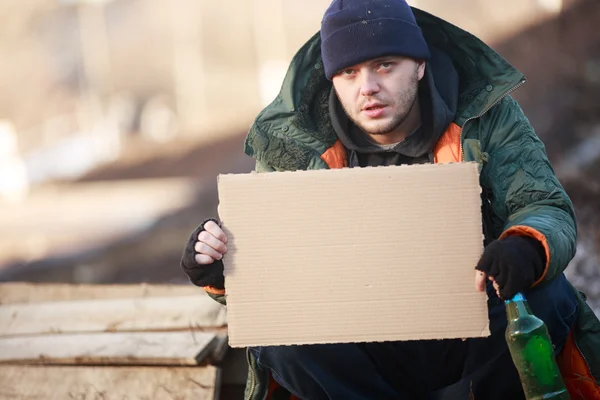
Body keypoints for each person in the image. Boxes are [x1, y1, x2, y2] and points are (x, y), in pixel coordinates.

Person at [181, 1, 600, 399]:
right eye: (348, 72)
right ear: (332, 79)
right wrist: (223, 269)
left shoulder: (484, 116)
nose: (368, 87)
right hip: (359, 341)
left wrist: (523, 244)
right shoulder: (295, 146)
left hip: (471, 324)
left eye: (384, 65)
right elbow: (273, 275)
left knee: (548, 298)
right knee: (282, 340)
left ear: (419, 64)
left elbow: (542, 203)